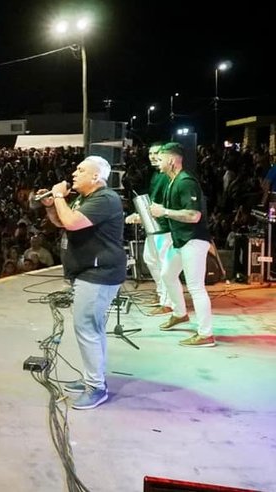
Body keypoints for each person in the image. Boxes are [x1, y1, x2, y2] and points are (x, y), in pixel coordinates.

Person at [39, 155, 126, 410]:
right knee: (93, 329)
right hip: (89, 272)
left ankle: (96, 388)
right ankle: (92, 378)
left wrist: (58, 196)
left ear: (96, 177)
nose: (74, 173)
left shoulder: (105, 199)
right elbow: (62, 222)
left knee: (87, 328)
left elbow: (72, 222)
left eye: (80, 170)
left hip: (98, 274)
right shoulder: (86, 198)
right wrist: (51, 205)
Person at [149, 142, 215, 347]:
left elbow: (194, 215)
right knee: (167, 274)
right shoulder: (172, 180)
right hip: (181, 240)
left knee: (196, 287)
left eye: (160, 159)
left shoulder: (185, 182)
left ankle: (206, 335)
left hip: (193, 240)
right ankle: (180, 313)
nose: (157, 163)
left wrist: (165, 212)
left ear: (171, 160)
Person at [125, 142, 174, 314]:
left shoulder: (167, 176)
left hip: (165, 228)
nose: (153, 156)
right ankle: (162, 296)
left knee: (164, 265)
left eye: (157, 153)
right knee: (151, 261)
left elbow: (161, 204)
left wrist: (141, 216)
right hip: (154, 227)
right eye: (151, 153)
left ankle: (168, 302)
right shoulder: (156, 175)